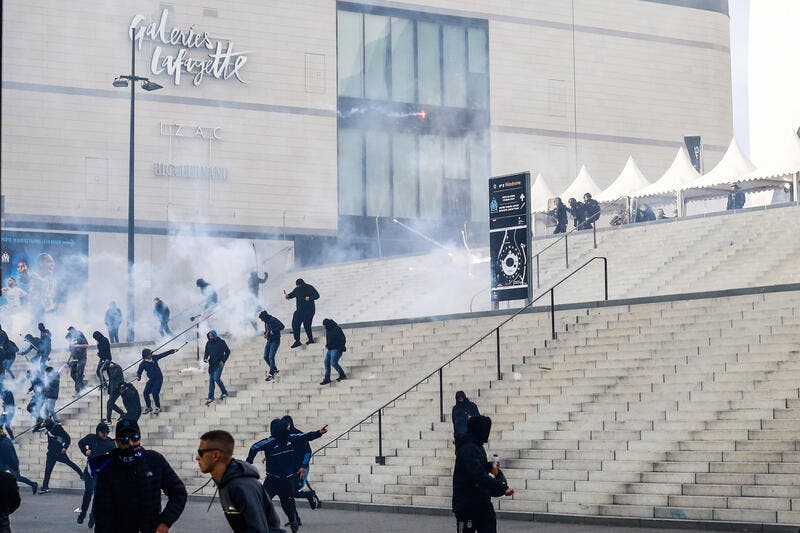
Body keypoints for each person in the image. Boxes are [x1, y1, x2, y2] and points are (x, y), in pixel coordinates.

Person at [91, 419, 187, 533]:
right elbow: (102, 511)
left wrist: (165, 522)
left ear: (140, 438)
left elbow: (178, 492)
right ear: (117, 441)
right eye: (124, 439)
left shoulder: (154, 460)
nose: (130, 443)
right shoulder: (108, 467)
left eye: (135, 437)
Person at [246, 419, 327, 533]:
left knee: (287, 503)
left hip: (286, 480)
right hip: (272, 480)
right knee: (263, 501)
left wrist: (319, 433)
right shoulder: (269, 442)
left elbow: (305, 436)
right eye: (287, 428)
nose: (289, 429)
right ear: (281, 430)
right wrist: (248, 462)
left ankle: (293, 522)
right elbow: (254, 447)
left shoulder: (291, 438)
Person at [196, 429, 284, 532]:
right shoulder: (226, 481)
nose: (197, 457)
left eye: (200, 453)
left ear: (216, 455)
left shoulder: (240, 486)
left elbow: (258, 530)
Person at [452, 415, 514, 533]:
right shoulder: (469, 448)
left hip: (479, 500)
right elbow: (478, 475)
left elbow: (479, 467)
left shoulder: (476, 445)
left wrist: (490, 466)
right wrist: (503, 488)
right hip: (467, 505)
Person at [77, 422, 116, 526]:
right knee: (89, 491)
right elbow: (80, 443)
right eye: (103, 432)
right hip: (90, 471)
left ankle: (93, 516)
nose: (105, 435)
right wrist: (85, 451)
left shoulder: (110, 442)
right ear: (97, 432)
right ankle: (83, 513)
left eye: (106, 432)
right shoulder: (91, 438)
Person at [281, 416, 320, 511]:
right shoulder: (283, 436)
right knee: (289, 493)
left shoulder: (299, 435)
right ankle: (295, 519)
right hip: (289, 469)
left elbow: (307, 452)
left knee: (293, 492)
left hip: (300, 468)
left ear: (289, 424)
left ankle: (309, 495)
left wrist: (303, 467)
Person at [40, 418, 84, 494]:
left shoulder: (58, 428)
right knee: (48, 470)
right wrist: (41, 425)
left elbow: (68, 438)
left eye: (45, 424)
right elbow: (39, 427)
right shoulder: (48, 427)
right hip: (51, 452)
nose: (44, 425)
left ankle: (82, 474)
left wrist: (65, 447)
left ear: (49, 424)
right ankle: (45, 487)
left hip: (59, 451)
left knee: (69, 463)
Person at [137, 345, 182, 415]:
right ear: (145, 356)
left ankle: (158, 407)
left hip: (158, 379)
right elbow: (139, 372)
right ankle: (149, 407)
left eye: (151, 353)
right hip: (151, 379)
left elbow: (162, 355)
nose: (150, 355)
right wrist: (138, 377)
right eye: (149, 354)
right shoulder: (142, 364)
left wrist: (172, 351)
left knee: (155, 392)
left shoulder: (154, 357)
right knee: (145, 393)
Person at [0, 426, 37, 494]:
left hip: (10, 463)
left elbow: (11, 456)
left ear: (1, 431)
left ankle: (33, 484)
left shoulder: (5, 442)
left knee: (17, 478)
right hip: (3, 462)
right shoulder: (2, 440)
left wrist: (15, 466)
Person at [285, 279, 319, 348]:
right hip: (300, 311)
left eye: (299, 285)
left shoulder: (309, 287)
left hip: (309, 310)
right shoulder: (297, 289)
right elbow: (292, 294)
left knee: (306, 324)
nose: (299, 287)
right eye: (298, 286)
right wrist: (288, 296)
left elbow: (317, 295)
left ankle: (310, 339)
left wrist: (309, 298)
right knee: (295, 324)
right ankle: (297, 341)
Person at [203, 330, 230, 406]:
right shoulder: (208, 343)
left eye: (212, 336)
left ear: (215, 335)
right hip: (211, 364)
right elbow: (206, 352)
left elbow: (227, 351)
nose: (210, 337)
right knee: (211, 381)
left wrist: (223, 360)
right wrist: (205, 358)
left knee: (216, 378)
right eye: (209, 336)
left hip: (219, 363)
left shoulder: (221, 342)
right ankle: (211, 397)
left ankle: (224, 392)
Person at [259, 310, 285, 381]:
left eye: (262, 319)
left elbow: (282, 326)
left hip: (275, 341)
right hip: (269, 341)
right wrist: (266, 333)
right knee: (265, 357)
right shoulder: (266, 322)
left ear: (265, 317)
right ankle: (275, 369)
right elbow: (268, 330)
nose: (261, 321)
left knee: (271, 357)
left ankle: (271, 373)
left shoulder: (273, 319)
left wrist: (274, 331)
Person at [320, 318, 347, 385]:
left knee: (333, 362)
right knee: (326, 362)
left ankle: (342, 375)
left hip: (337, 348)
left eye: (324, 325)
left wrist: (340, 347)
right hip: (330, 348)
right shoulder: (328, 330)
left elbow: (343, 339)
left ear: (328, 324)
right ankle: (327, 378)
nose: (324, 327)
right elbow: (329, 339)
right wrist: (327, 344)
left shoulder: (337, 329)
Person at [66, 326, 89, 394]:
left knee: (79, 374)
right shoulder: (71, 340)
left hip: (82, 358)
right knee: (72, 374)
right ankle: (82, 385)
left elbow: (86, 345)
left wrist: (77, 346)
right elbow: (72, 350)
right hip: (74, 359)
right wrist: (68, 359)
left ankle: (78, 390)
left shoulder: (79, 336)